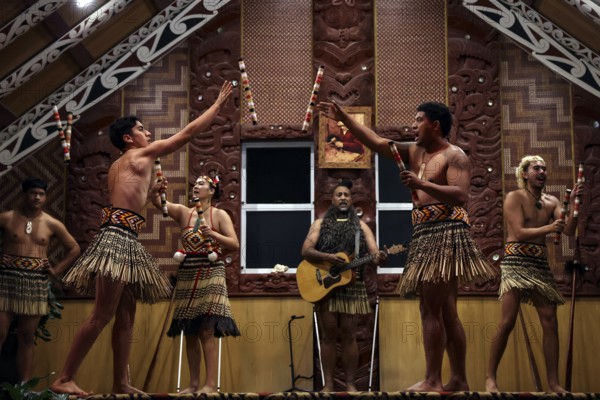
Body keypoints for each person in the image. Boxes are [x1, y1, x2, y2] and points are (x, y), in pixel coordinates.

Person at [50, 81, 233, 396]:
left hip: (125, 235)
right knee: (102, 314)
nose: (148, 134)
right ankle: (65, 376)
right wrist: (217, 105)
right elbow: (188, 133)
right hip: (117, 238)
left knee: (125, 316)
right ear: (128, 138)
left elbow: (136, 200)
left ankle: (121, 381)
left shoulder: (119, 165)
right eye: (142, 129)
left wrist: (152, 192)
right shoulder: (140, 155)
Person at [317, 101, 497, 391]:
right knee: (447, 310)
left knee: (430, 309)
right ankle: (460, 380)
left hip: (445, 232)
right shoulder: (414, 151)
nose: (414, 125)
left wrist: (421, 184)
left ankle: (433, 379)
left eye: (419, 120)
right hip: (426, 232)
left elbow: (461, 195)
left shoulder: (455, 155)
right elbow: (375, 142)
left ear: (435, 125)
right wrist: (344, 119)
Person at [485, 155, 580, 393]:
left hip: (539, 263)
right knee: (507, 322)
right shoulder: (514, 197)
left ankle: (553, 383)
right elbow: (518, 232)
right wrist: (550, 227)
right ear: (524, 174)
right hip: (515, 261)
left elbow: (568, 229)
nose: (542, 171)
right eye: (536, 168)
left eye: (544, 168)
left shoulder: (552, 201)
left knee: (550, 321)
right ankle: (490, 378)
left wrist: (576, 206)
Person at [151, 174, 240, 394]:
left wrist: (214, 235)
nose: (195, 187)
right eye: (195, 184)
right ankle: (192, 384)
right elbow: (159, 203)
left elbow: (234, 243)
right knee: (189, 330)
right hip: (188, 271)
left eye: (201, 184)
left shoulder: (219, 215)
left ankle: (209, 385)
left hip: (212, 271)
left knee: (206, 330)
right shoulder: (184, 212)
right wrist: (156, 188)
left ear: (212, 190)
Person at [301, 180, 387, 392]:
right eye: (339, 195)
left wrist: (379, 257)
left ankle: (350, 384)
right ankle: (328, 384)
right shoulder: (319, 224)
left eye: (346, 195)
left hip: (353, 285)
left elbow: (374, 253)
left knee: (349, 335)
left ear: (351, 200)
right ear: (332, 200)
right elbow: (306, 250)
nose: (342, 198)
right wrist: (328, 257)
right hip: (326, 286)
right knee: (328, 335)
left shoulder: (361, 226)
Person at [0, 177, 81, 383]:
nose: (37, 197)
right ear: (24, 195)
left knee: (27, 337)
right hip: (6, 281)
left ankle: (24, 387)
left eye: (41, 194)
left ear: (45, 197)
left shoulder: (51, 223)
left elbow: (74, 248)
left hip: (35, 283)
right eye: (32, 193)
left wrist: (56, 270)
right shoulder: (7, 218)